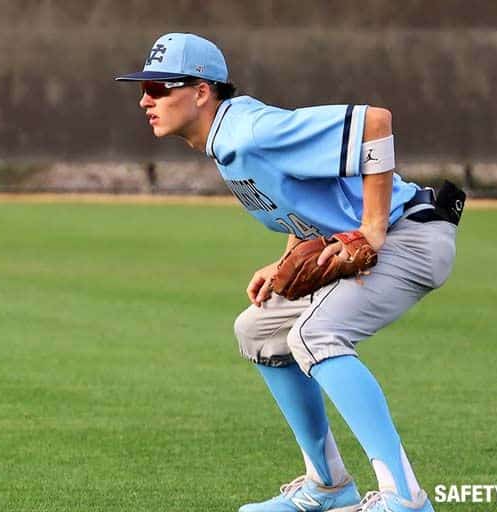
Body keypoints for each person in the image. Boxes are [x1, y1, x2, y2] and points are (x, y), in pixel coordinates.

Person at [116, 33, 463, 512]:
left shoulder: (250, 129)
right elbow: (309, 203)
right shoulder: (224, 140)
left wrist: (373, 229)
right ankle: (328, 486)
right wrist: (285, 262)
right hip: (389, 238)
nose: (144, 100)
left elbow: (374, 123)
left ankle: (405, 499)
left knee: (315, 334)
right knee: (258, 329)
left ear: (201, 92)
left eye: (158, 88)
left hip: (414, 235)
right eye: (144, 89)